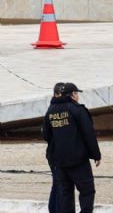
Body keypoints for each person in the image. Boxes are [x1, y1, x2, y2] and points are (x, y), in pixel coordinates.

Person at [42, 82, 101, 213]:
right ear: (73, 95)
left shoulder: (50, 111)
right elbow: (88, 133)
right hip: (78, 160)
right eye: (76, 94)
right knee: (87, 191)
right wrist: (96, 155)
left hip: (59, 161)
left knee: (65, 193)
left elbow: (46, 135)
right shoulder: (77, 109)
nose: (78, 97)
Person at [44, 82, 65, 213]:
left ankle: (53, 209)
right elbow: (46, 134)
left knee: (57, 184)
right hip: (56, 153)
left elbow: (46, 134)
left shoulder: (51, 110)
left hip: (53, 152)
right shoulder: (55, 110)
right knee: (59, 184)